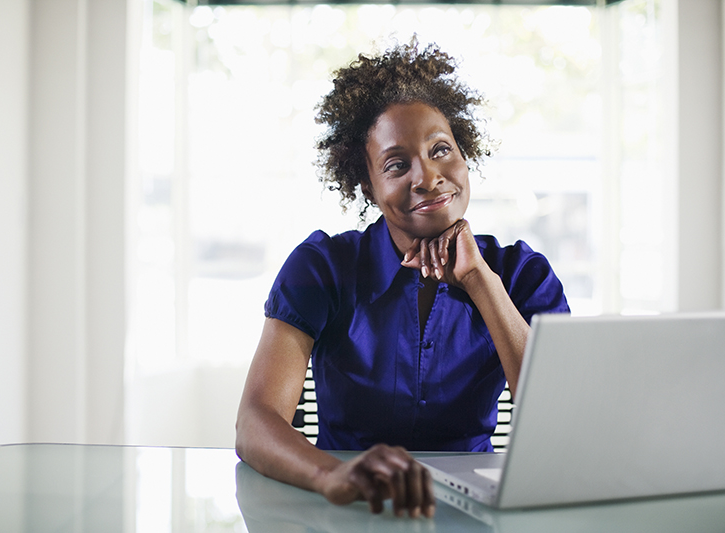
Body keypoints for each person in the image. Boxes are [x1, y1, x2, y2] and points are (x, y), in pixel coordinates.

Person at [235, 40, 569, 519]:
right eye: (396, 165)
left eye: (441, 150)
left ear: (465, 156)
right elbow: (254, 422)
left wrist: (479, 280)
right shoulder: (323, 266)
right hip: (345, 509)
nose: (428, 177)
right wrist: (331, 474)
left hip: (473, 516)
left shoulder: (521, 275)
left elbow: (560, 424)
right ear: (367, 184)